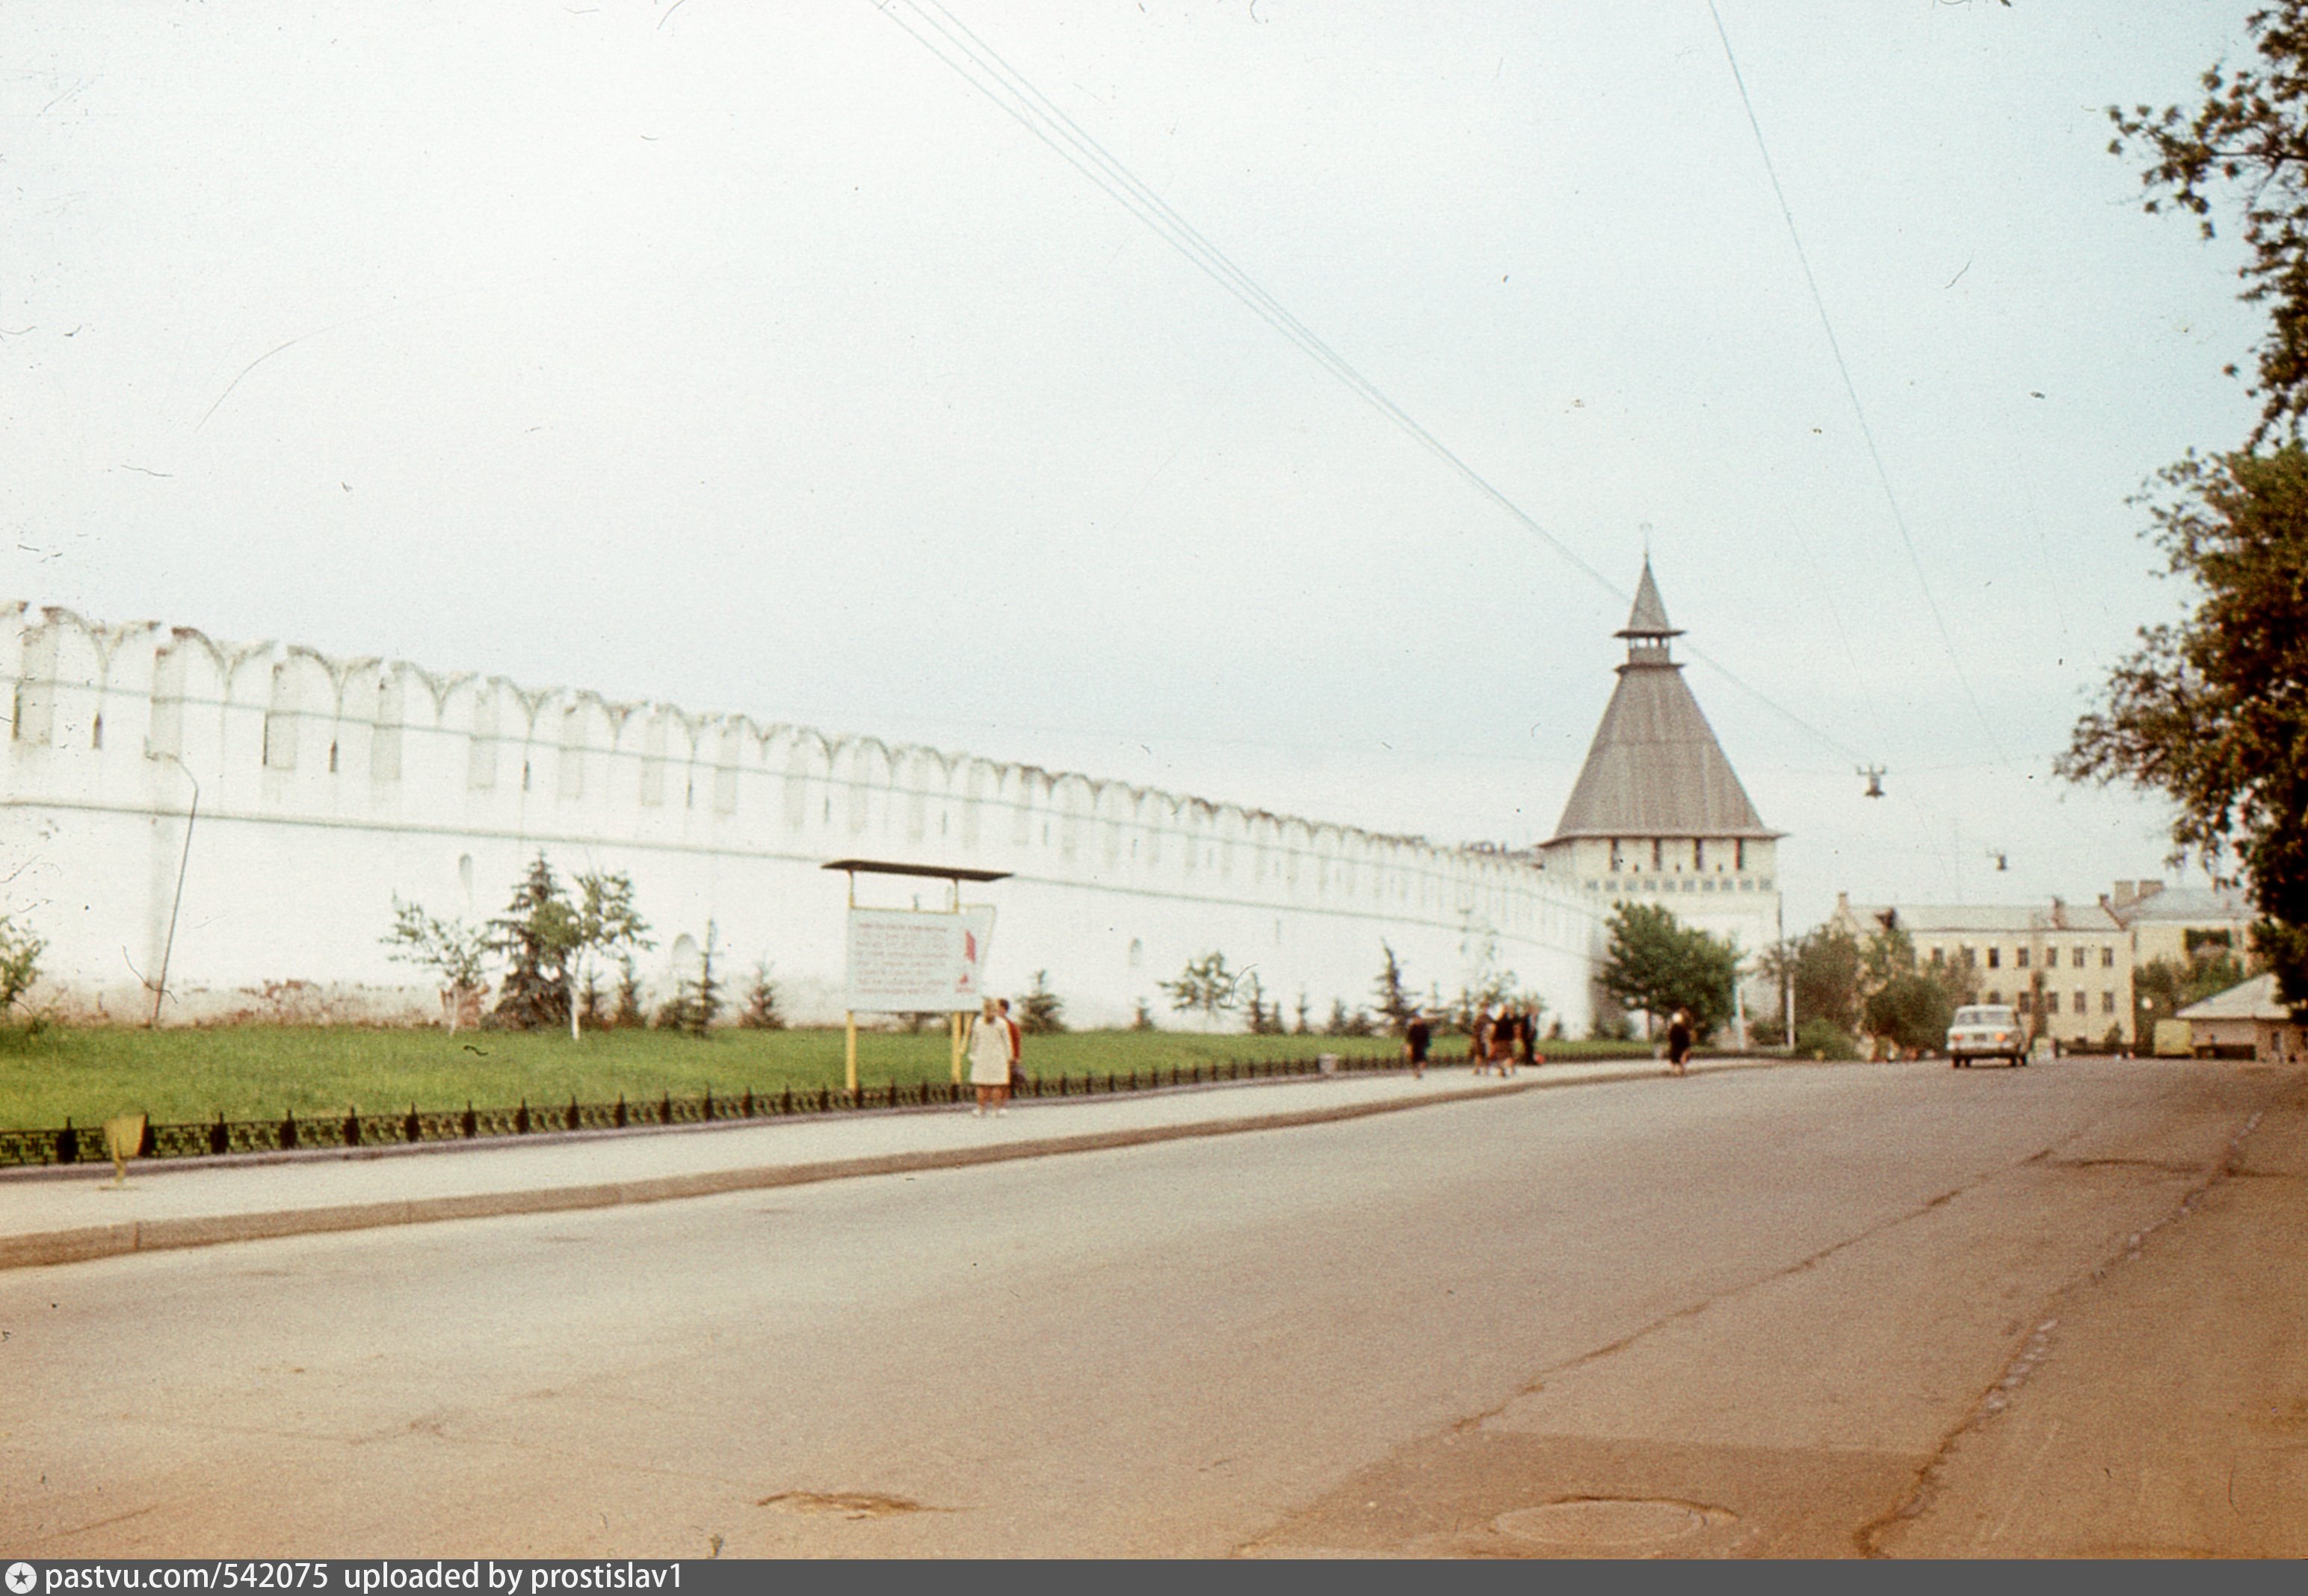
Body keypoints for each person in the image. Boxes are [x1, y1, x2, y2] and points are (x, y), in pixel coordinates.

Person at [967, 998, 1012, 1116]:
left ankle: (981, 1109)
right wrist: (1009, 1056)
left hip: (982, 1056)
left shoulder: (978, 1022)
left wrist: (972, 1054)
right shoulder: (1002, 1023)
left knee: (982, 1085)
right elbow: (1007, 1041)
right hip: (998, 1056)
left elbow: (974, 1040)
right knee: (997, 1084)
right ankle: (996, 1109)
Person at [999, 995, 1024, 1092]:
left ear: (1004, 1010)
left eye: (998, 1008)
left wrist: (1016, 1057)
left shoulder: (1010, 1026)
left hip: (1006, 1056)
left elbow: (1016, 1041)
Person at [1667, 1007, 1694, 1076]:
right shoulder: (1678, 1028)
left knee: (1680, 1055)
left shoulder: (1682, 1028)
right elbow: (1671, 1038)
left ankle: (1679, 1069)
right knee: (1678, 1054)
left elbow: (1686, 1043)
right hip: (1678, 1047)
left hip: (1680, 1047)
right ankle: (1678, 1069)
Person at [1404, 1012, 1431, 1079]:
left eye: (1419, 1019)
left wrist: (1428, 1045)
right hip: (1414, 1046)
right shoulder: (1413, 1028)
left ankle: (1418, 1072)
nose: (1418, 1021)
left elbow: (1427, 1037)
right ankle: (1417, 1073)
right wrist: (1407, 1047)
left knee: (1423, 1062)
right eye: (1416, 1020)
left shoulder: (1424, 1027)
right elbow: (1408, 1038)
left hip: (1422, 1046)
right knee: (1415, 1062)